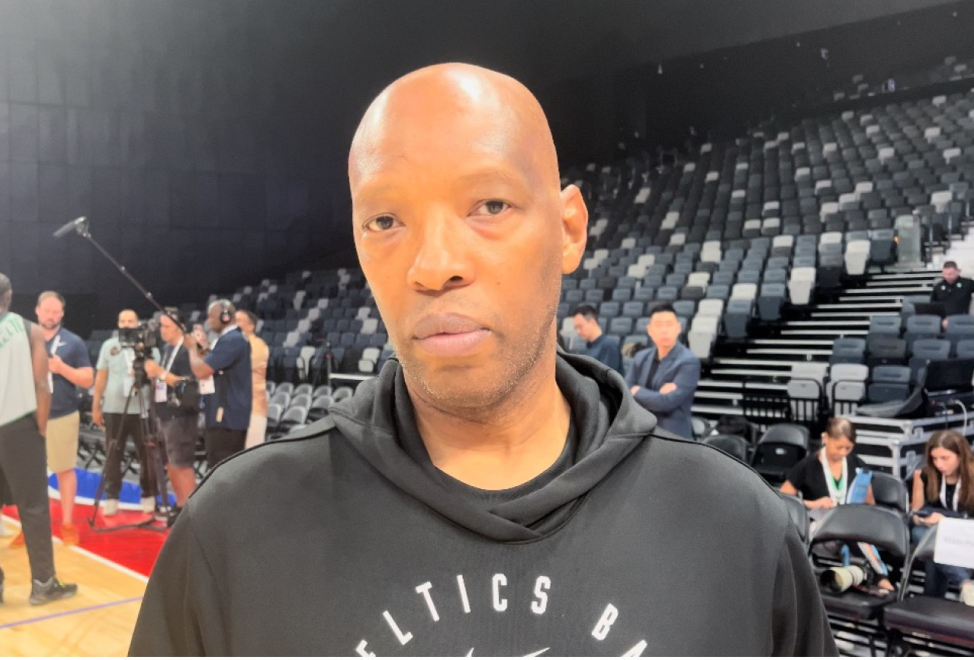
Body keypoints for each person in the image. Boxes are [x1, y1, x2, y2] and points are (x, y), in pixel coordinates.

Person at [130, 64, 834, 656]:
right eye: (385, 220)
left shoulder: (739, 532)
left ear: (569, 230)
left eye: (489, 205)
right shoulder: (232, 531)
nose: (433, 265)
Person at [0, 273, 78, 607]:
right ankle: (43, 584)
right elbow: (42, 385)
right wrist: (40, 430)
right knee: (33, 507)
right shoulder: (28, 329)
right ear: (9, 296)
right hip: (19, 428)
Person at [15, 291, 93, 547]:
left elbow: (87, 379)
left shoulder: (73, 342)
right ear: (37, 310)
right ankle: (29, 527)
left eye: (56, 311)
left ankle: (67, 523)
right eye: (47, 311)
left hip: (62, 414)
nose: (51, 316)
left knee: (64, 469)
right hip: (28, 415)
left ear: (62, 313)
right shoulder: (22, 338)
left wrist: (62, 368)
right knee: (29, 473)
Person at [780, 417, 893, 591]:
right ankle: (881, 577)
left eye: (848, 448)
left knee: (853, 530)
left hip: (851, 526)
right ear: (826, 438)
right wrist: (813, 503)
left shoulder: (857, 465)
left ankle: (855, 579)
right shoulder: (808, 466)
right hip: (820, 527)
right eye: (838, 447)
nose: (843, 452)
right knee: (852, 532)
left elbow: (870, 503)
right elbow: (784, 500)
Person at [93, 309, 160, 516]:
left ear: (138, 323)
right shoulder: (109, 346)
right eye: (123, 321)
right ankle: (112, 497)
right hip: (114, 408)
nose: (127, 324)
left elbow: (158, 378)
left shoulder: (150, 348)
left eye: (131, 321)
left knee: (146, 454)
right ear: (118, 323)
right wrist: (96, 405)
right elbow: (101, 377)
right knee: (113, 453)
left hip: (142, 409)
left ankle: (148, 495)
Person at [183, 299, 251, 468]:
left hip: (226, 418)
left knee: (221, 469)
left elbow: (201, 371)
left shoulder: (232, 340)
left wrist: (191, 349)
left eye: (211, 317)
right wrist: (203, 347)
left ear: (225, 317)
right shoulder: (231, 339)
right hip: (225, 416)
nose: (209, 322)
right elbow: (213, 363)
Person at [144, 309, 200, 510]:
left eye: (167, 326)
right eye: (161, 326)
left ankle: (193, 512)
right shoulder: (167, 349)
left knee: (182, 463)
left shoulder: (187, 351)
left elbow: (189, 385)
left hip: (181, 415)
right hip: (164, 412)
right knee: (169, 462)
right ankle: (181, 504)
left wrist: (160, 372)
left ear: (181, 328)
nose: (162, 330)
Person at [909, 430, 974, 604]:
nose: (939, 464)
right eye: (934, 458)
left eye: (945, 458)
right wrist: (922, 519)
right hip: (939, 535)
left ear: (961, 456)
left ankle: (931, 605)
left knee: (933, 547)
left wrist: (948, 522)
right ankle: (965, 584)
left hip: (968, 536)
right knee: (919, 533)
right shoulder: (926, 474)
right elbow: (916, 513)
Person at [623, 303, 700, 438]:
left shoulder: (689, 361)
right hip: (641, 431)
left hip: (672, 435)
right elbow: (624, 391)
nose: (664, 330)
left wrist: (637, 391)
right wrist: (656, 396)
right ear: (650, 330)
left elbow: (667, 402)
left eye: (669, 324)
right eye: (658, 325)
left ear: (678, 328)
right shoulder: (641, 357)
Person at [235, 309, 269, 448]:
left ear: (251, 326)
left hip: (254, 409)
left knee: (251, 453)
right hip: (235, 409)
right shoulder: (232, 345)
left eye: (238, 321)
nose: (234, 324)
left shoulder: (258, 344)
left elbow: (241, 366)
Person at [570, 304, 622, 374]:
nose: (578, 332)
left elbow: (605, 377)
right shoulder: (585, 349)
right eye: (576, 328)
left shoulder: (609, 346)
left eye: (580, 327)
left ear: (592, 322)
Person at [930, 260, 974, 326]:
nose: (948, 276)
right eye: (945, 274)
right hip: (943, 320)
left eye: (951, 274)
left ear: (958, 271)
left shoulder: (968, 283)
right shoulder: (938, 287)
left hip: (962, 318)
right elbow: (932, 305)